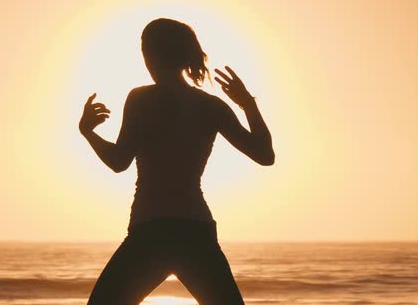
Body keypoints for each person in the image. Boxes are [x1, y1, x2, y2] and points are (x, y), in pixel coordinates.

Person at [79, 18, 274, 305]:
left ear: (151, 54)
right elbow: (264, 155)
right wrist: (248, 104)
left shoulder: (141, 98)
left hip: (152, 230)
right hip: (195, 230)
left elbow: (119, 161)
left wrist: (87, 133)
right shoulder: (211, 105)